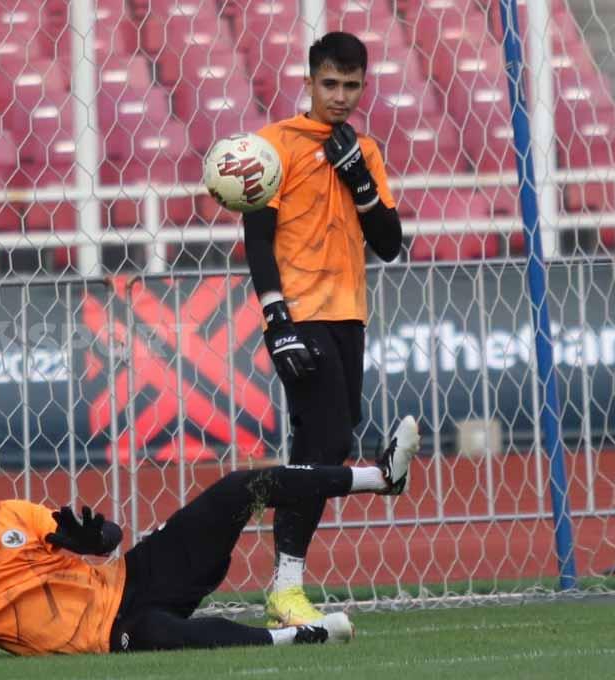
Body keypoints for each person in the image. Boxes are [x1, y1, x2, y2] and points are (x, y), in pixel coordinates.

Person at [0, 417, 419, 662]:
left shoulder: (5, 514)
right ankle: (303, 638)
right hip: (112, 633)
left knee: (237, 488)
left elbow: (104, 536)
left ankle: (379, 477)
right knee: (162, 633)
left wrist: (90, 536)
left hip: (133, 576)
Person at [241, 32, 404, 627]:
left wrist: (360, 178)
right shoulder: (272, 146)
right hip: (298, 314)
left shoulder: (365, 148)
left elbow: (388, 244)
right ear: (308, 82)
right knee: (327, 437)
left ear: (364, 85)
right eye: (329, 84)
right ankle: (287, 584)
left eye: (351, 86)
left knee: (324, 444)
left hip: (348, 314)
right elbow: (257, 238)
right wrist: (275, 316)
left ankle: (274, 520)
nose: (340, 96)